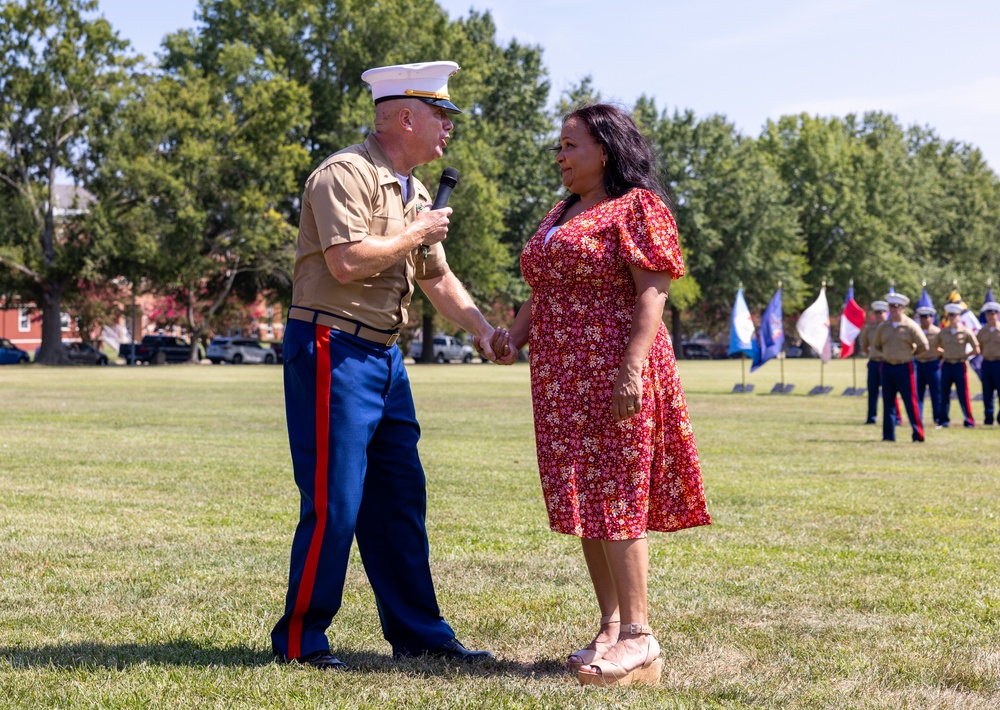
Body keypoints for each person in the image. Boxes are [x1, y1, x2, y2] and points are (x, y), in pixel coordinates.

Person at [271, 61, 510, 670]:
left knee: (401, 499)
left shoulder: (415, 192)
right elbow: (348, 262)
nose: (449, 128)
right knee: (337, 503)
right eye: (441, 115)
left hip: (383, 356)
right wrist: (416, 231)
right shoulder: (342, 175)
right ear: (406, 116)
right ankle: (301, 642)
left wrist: (482, 329)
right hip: (332, 349)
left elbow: (437, 277)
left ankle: (420, 634)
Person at [492, 104, 711, 687]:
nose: (559, 156)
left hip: (615, 371)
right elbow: (545, 289)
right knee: (587, 498)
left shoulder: (638, 208)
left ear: (606, 152)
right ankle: (611, 627)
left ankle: (641, 636)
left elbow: (652, 296)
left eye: (570, 146)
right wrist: (512, 336)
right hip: (562, 379)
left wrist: (632, 369)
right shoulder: (560, 212)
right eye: (558, 147)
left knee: (617, 495)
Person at [873, 293, 929, 442]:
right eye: (891, 306)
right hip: (887, 366)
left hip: (905, 367)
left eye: (896, 307)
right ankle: (888, 436)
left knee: (911, 402)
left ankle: (918, 434)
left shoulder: (910, 325)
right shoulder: (883, 326)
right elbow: (877, 345)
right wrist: (887, 354)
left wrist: (911, 354)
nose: (893, 309)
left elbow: (924, 345)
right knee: (888, 402)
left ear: (903, 308)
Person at [932, 303, 980, 429]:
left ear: (959, 316)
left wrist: (965, 355)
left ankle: (969, 420)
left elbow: (976, 348)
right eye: (950, 315)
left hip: (960, 364)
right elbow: (935, 347)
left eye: (955, 315)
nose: (952, 317)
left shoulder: (965, 331)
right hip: (947, 364)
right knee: (944, 394)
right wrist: (944, 353)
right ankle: (943, 421)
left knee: (963, 394)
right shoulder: (943, 332)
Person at [913, 305, 943, 426]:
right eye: (922, 317)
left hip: (933, 364)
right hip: (919, 364)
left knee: (935, 392)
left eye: (927, 317)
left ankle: (937, 417)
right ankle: (918, 417)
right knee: (918, 393)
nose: (924, 319)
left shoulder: (937, 332)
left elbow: (944, 347)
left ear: (932, 318)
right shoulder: (916, 331)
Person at [979, 301, 1000, 425]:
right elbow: (979, 347)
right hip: (986, 363)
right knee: (987, 393)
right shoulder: (982, 331)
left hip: (999, 363)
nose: (990, 316)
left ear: (997, 314)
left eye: (993, 314)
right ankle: (988, 418)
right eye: (988, 314)